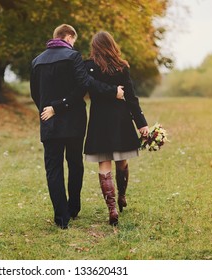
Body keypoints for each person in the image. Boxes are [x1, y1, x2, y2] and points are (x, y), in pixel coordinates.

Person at [30, 24, 125, 229]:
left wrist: (48, 110)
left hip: (49, 123)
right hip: (74, 121)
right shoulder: (72, 57)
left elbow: (35, 94)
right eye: (73, 40)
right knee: (75, 164)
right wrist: (61, 106)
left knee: (53, 169)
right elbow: (83, 86)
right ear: (69, 36)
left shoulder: (36, 61)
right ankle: (73, 209)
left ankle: (61, 218)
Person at [84, 31, 149, 226]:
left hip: (99, 121)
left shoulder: (88, 67)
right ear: (112, 45)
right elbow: (131, 98)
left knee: (104, 165)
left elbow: (88, 89)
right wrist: (142, 124)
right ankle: (121, 196)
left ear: (94, 47)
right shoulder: (122, 67)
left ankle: (112, 209)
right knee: (122, 162)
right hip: (120, 120)